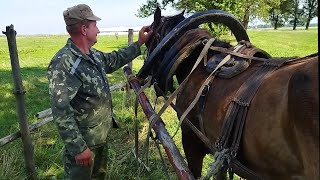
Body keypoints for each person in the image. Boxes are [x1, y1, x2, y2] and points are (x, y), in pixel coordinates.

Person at [47, 4, 152, 180]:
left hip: (99, 138)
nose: (99, 30)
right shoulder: (64, 63)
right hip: (84, 143)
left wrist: (140, 42)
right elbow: (60, 109)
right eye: (94, 25)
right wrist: (78, 147)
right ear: (83, 29)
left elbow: (114, 59)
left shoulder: (92, 55)